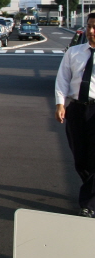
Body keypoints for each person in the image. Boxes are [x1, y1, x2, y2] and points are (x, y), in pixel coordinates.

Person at [55, 12, 95, 218]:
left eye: (94, 27)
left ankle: (88, 204)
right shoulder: (74, 52)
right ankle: (90, 192)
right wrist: (60, 104)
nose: (91, 31)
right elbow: (62, 79)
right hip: (77, 109)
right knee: (80, 159)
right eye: (89, 26)